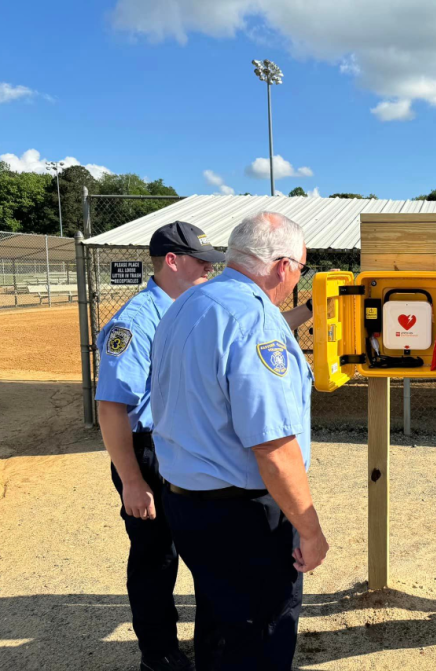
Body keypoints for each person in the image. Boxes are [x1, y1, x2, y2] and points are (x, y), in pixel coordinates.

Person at [150, 211, 329, 671]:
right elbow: (271, 444)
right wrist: (310, 531)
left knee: (220, 624)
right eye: (301, 269)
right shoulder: (254, 320)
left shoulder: (186, 304)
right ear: (283, 266)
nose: (297, 280)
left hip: (187, 505)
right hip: (242, 516)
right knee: (263, 635)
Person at [96, 221, 225, 671]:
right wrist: (132, 480)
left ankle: (213, 649)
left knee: (206, 548)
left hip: (183, 445)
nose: (210, 269)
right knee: (156, 557)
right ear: (172, 261)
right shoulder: (134, 322)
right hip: (146, 451)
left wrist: (308, 309)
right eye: (202, 262)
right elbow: (112, 407)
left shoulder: (191, 309)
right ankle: (160, 655)